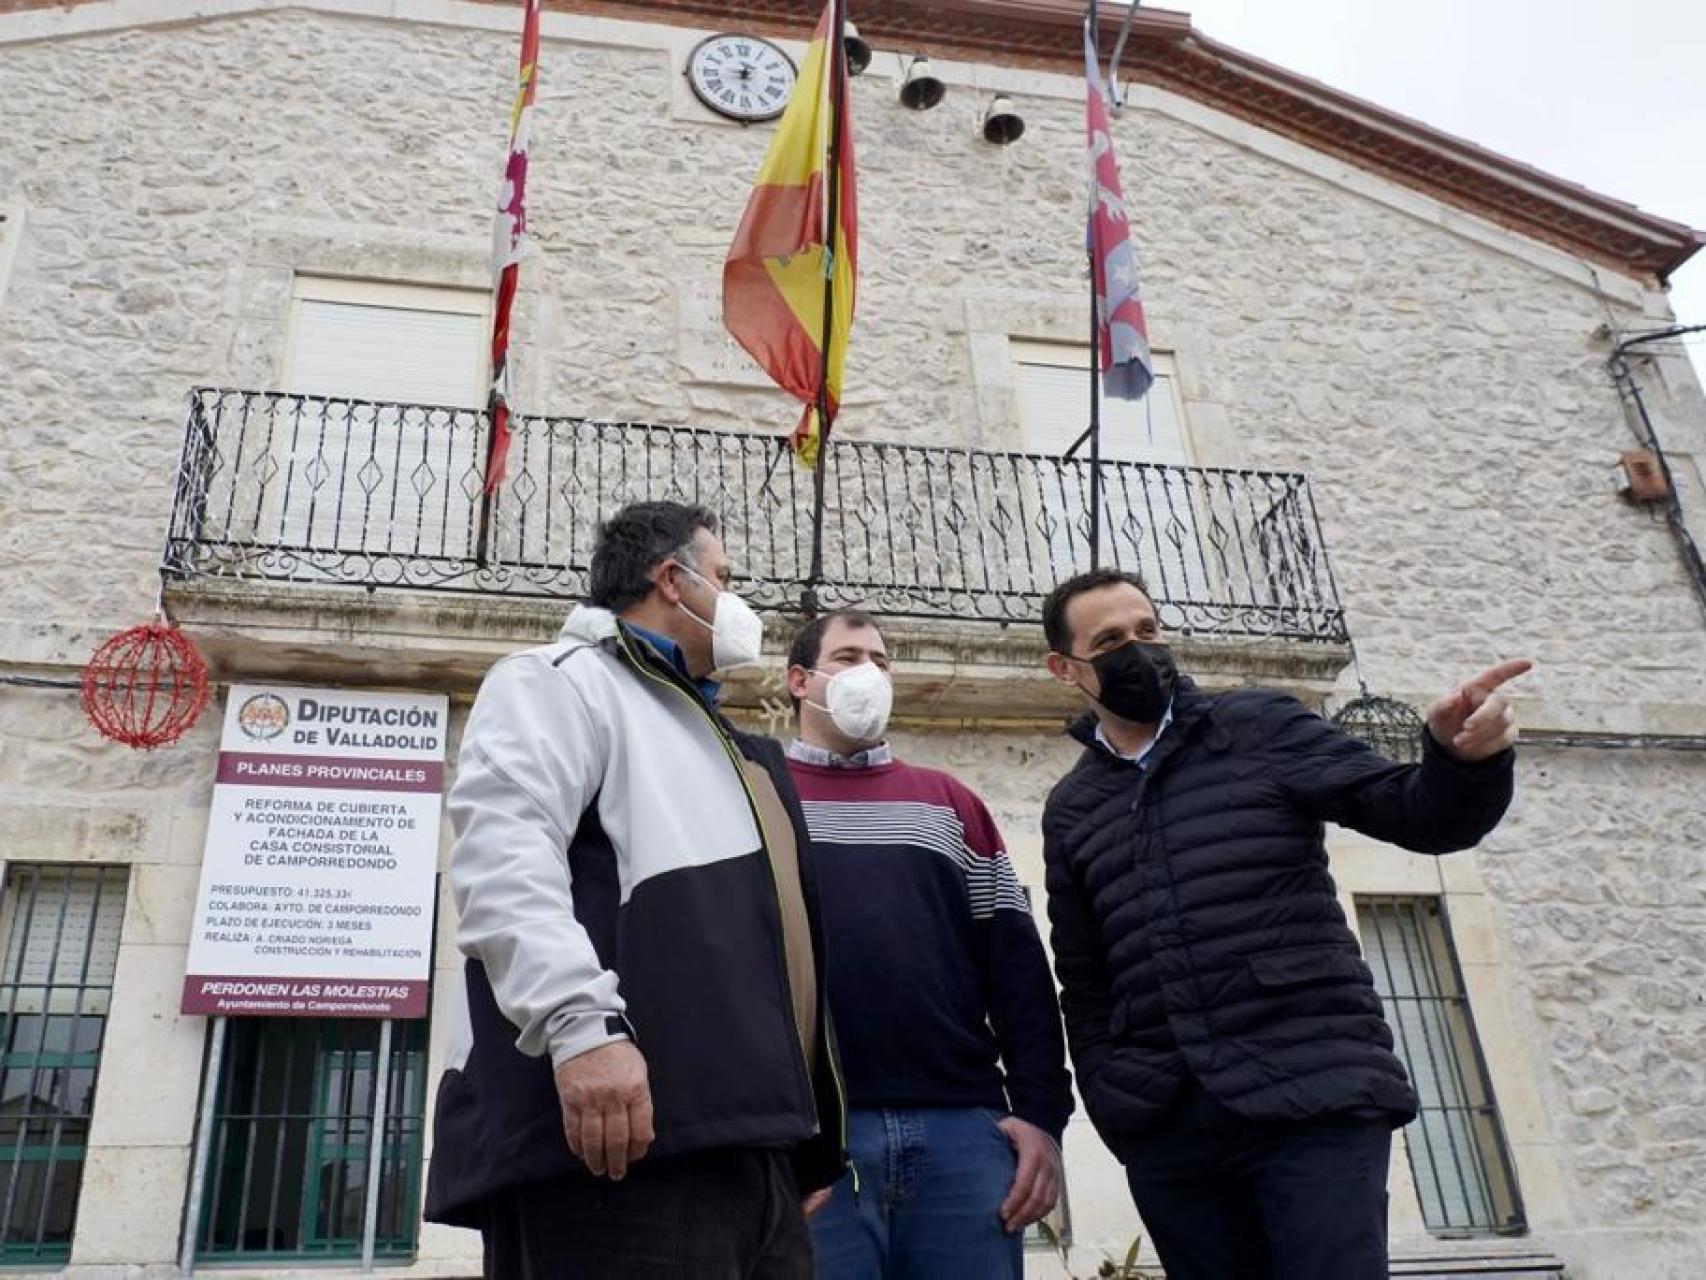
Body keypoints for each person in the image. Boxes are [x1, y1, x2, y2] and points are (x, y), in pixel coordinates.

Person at [1038, 568, 1528, 1280]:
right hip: (1172, 1132)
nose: (1137, 650)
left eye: (1147, 630)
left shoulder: (1259, 727)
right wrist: (1122, 1105)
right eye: (1110, 640)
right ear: (1065, 668)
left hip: (1315, 1101)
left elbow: (1417, 812)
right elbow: (1083, 981)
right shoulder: (1073, 807)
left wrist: (1461, 762)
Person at [423, 501, 845, 1279]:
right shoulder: (556, 680)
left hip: (749, 1156)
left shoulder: (723, 742)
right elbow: (502, 856)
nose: (736, 599)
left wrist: (801, 1139)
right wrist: (581, 1029)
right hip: (616, 1146)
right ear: (670, 579)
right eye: (723, 577)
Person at [783, 609, 1073, 1279]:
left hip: (962, 1137)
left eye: (881, 662)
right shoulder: (761, 798)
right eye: (850, 656)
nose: (870, 674)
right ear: (801, 680)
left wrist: (1040, 1118)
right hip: (815, 1142)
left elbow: (1019, 974)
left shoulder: (950, 803)